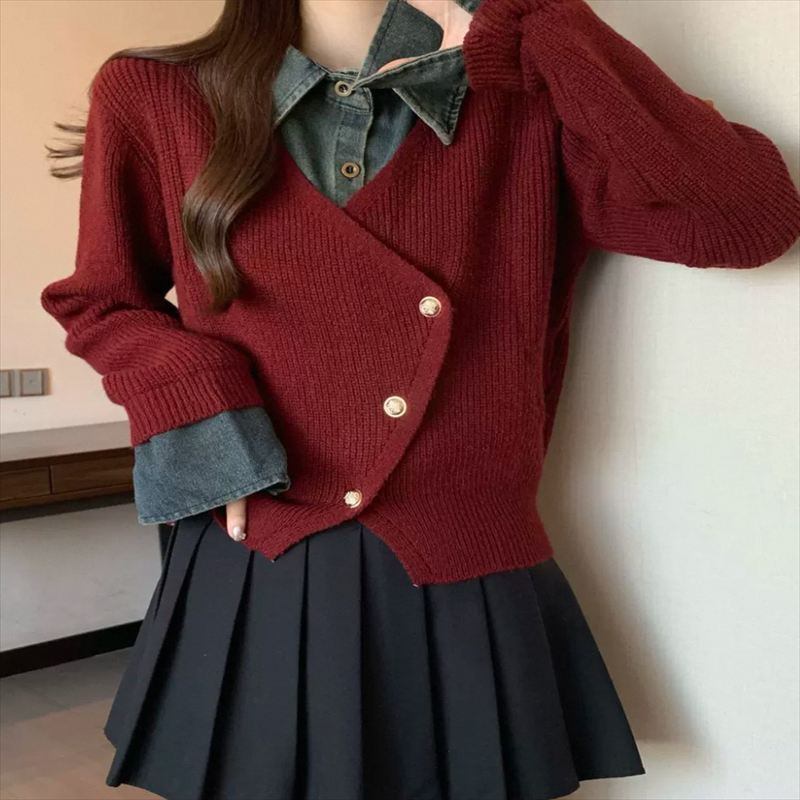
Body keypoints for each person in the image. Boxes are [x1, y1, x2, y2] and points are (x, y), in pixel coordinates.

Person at [40, 0, 800, 798]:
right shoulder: (156, 93)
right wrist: (208, 416)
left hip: (465, 552)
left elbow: (747, 221)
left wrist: (537, 17)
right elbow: (103, 301)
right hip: (261, 542)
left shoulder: (527, 91)